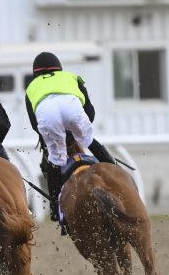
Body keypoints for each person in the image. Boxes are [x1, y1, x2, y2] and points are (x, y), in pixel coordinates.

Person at [25, 51, 116, 222]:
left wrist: (59, 137)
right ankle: (116, 170)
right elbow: (90, 111)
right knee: (88, 141)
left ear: (35, 73)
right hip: (72, 107)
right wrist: (76, 133)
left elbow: (35, 124)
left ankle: (54, 207)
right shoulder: (72, 77)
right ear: (59, 68)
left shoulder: (31, 87)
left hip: (47, 113)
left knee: (56, 160)